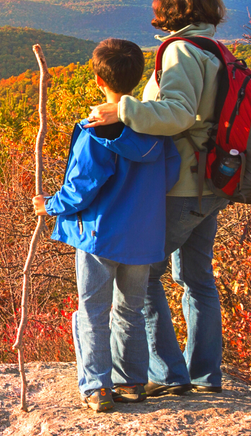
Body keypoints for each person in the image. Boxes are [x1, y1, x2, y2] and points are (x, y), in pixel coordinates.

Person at [84, 0, 228, 395]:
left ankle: (171, 375)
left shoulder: (181, 50)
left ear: (172, 4)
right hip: (212, 182)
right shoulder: (214, 48)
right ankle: (205, 375)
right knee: (197, 277)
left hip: (183, 183)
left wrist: (122, 110)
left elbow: (178, 113)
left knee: (142, 275)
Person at [34, 38, 180, 412]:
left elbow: (81, 188)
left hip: (99, 236)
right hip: (144, 237)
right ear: (137, 79)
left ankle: (97, 386)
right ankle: (131, 382)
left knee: (92, 311)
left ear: (99, 80)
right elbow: (171, 175)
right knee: (130, 310)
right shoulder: (157, 129)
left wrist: (49, 205)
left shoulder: (94, 132)